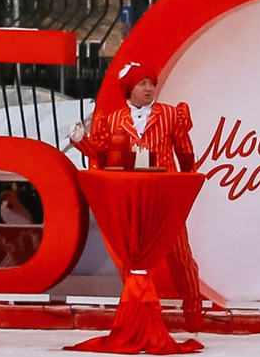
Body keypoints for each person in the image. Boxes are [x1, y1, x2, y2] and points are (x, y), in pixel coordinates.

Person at [68, 60, 227, 325]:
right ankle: (138, 308)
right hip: (133, 196)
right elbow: (102, 154)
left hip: (165, 195)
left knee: (180, 254)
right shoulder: (115, 119)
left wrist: (186, 182)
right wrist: (80, 140)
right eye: (143, 83)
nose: (149, 88)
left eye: (151, 84)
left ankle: (193, 308)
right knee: (133, 254)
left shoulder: (169, 115)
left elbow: (185, 152)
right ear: (130, 88)